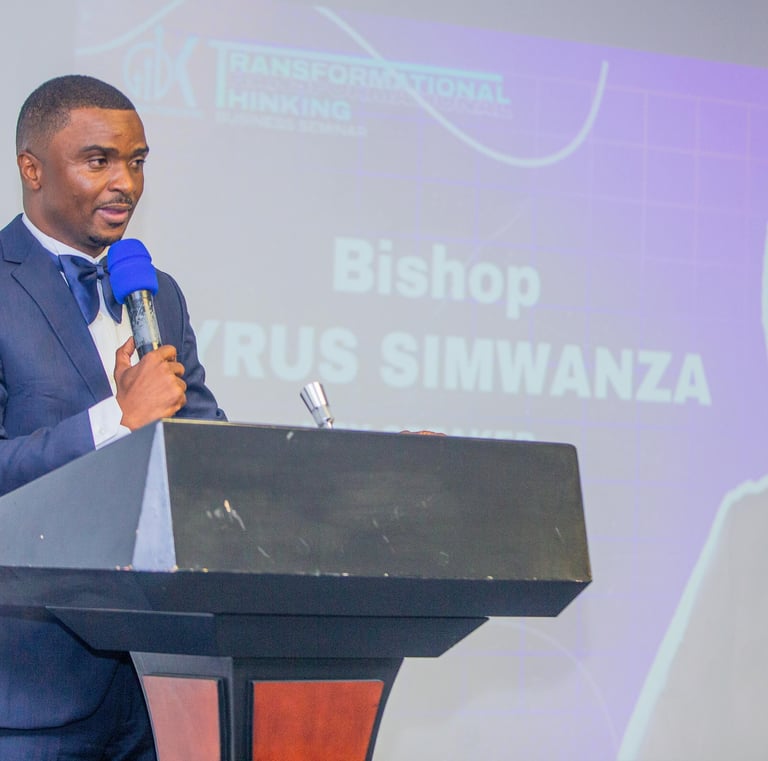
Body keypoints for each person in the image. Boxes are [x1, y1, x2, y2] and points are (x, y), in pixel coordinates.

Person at [0, 75, 225, 759]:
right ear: (32, 169)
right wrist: (117, 420)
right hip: (32, 688)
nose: (125, 182)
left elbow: (207, 449)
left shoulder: (158, 293)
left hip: (162, 686)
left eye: (137, 161)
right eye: (98, 161)